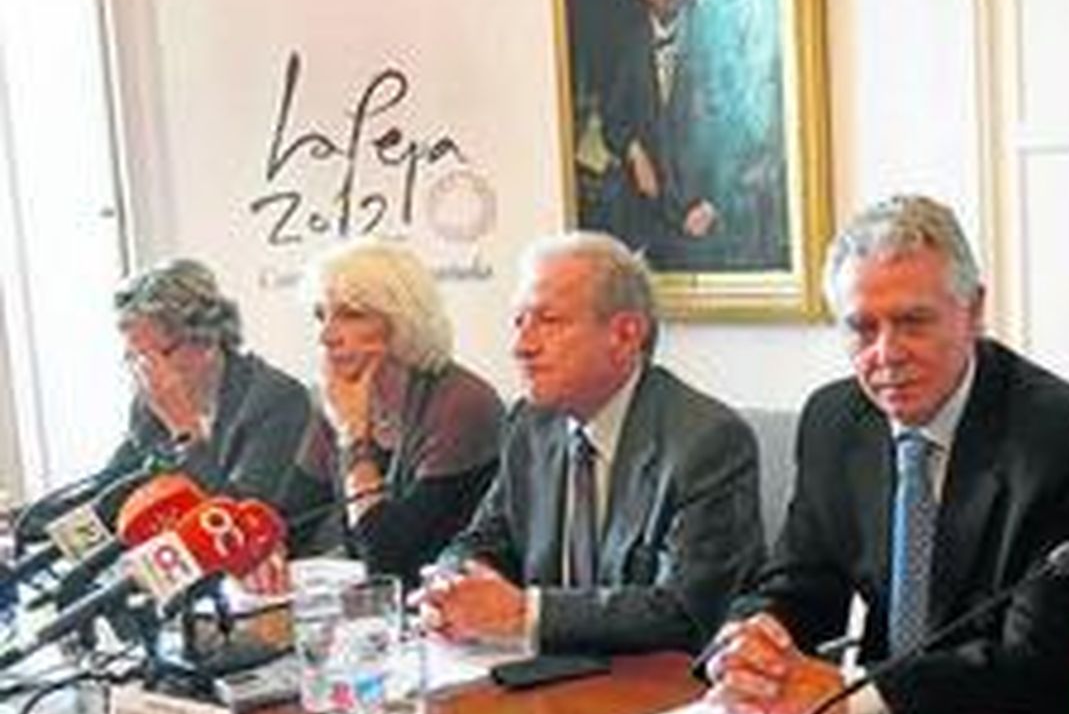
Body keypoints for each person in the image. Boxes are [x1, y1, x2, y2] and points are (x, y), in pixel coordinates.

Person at [705, 194, 1069, 714]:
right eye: (862, 328)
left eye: (913, 322)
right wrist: (752, 639)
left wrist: (851, 700)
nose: (886, 353)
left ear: (974, 311)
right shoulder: (834, 419)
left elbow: (1039, 664)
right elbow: (803, 582)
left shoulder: (1068, 439)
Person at [421, 232, 764, 654]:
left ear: (625, 335)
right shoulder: (531, 424)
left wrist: (523, 614)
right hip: (544, 675)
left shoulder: (707, 442)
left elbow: (688, 613)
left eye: (548, 321)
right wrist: (452, 586)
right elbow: (483, 541)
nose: (521, 347)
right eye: (519, 321)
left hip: (650, 682)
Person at [291, 240, 502, 586]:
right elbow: (290, 522)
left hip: (445, 600)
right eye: (320, 315)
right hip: (376, 608)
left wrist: (352, 436)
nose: (326, 336)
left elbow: (390, 561)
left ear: (403, 321)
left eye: (351, 314)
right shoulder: (337, 396)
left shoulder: (462, 403)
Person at [106, 257, 331, 543]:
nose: (146, 371)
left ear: (206, 341)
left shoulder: (276, 400)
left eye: (158, 354)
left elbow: (235, 529)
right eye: (135, 357)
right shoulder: (149, 403)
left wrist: (184, 429)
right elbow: (111, 496)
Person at [598, 0, 720, 265]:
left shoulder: (713, 38)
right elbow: (612, 120)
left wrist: (712, 202)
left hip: (704, 216)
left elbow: (740, 136)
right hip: (649, 221)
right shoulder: (628, 48)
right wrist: (634, 150)